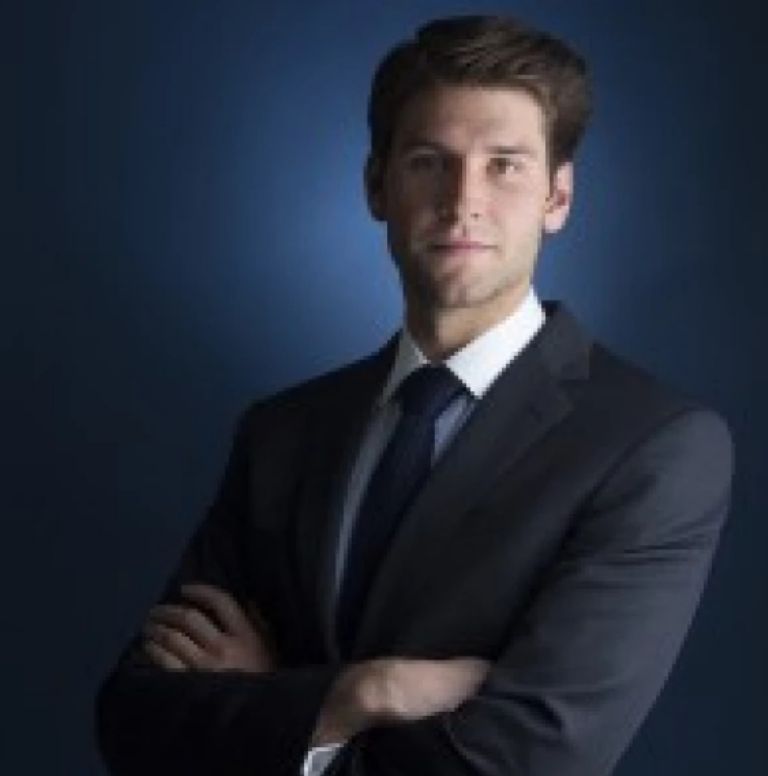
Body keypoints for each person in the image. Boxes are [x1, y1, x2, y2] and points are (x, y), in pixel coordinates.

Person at [95, 14, 733, 776]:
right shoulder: (281, 434)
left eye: (504, 166)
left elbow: (528, 762)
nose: (464, 200)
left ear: (558, 197)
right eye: (430, 161)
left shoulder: (653, 448)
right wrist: (366, 692)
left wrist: (277, 704)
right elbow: (133, 722)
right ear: (377, 185)